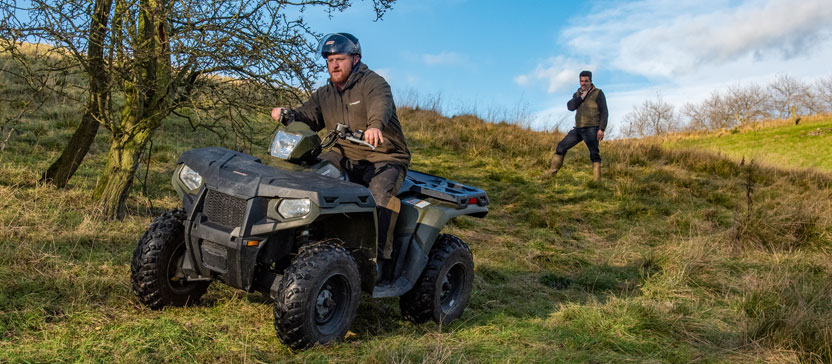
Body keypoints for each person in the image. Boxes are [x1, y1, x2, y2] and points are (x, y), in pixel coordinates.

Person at [271, 33, 410, 261]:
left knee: (378, 198)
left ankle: (375, 259)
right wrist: (289, 114)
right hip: (343, 154)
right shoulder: (325, 93)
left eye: (340, 59)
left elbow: (380, 104)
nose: (334, 65)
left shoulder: (373, 83)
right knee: (311, 179)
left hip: (385, 157)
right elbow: (309, 116)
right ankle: (304, 240)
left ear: (355, 59)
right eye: (330, 60)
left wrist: (375, 126)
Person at [546, 70, 608, 182]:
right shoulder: (577, 94)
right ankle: (551, 175)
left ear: (590, 81)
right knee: (561, 147)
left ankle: (596, 182)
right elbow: (570, 107)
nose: (583, 83)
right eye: (581, 81)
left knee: (594, 154)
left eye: (586, 81)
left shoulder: (598, 93)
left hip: (592, 128)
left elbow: (604, 112)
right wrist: (581, 97)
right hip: (578, 129)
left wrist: (601, 129)